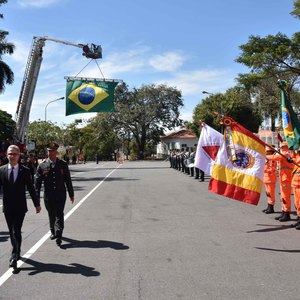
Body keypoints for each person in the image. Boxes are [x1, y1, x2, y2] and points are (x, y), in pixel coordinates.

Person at [0, 145, 41, 269]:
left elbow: (31, 188)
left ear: (19, 155)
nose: (12, 156)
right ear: (7, 155)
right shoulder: (1, 170)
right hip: (7, 207)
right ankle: (17, 251)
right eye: (10, 154)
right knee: (12, 232)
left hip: (20, 207)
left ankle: (13, 256)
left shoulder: (25, 170)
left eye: (14, 154)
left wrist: (37, 204)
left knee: (16, 230)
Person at [35, 142, 74, 247]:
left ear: (56, 152)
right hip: (48, 196)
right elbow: (37, 184)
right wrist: (36, 199)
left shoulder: (63, 164)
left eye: (53, 151)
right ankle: (53, 230)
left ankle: (59, 235)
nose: (51, 153)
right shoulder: (42, 165)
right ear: (47, 152)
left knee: (59, 214)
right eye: (49, 151)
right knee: (51, 214)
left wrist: (71, 194)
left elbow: (68, 180)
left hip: (61, 194)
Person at [267, 141, 293, 222]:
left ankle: (287, 213)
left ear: (286, 147)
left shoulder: (286, 153)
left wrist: (264, 156)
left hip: (286, 178)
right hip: (283, 178)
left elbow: (275, 157)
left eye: (282, 147)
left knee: (285, 196)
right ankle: (283, 211)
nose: (281, 148)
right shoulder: (284, 153)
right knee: (282, 196)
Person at [262, 145, 277, 214]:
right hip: (266, 178)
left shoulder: (273, 160)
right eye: (266, 151)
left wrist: (265, 169)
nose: (267, 153)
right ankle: (269, 206)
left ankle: (271, 207)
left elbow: (272, 169)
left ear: (271, 152)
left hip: (271, 179)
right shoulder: (267, 159)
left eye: (268, 151)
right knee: (268, 193)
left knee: (271, 193)